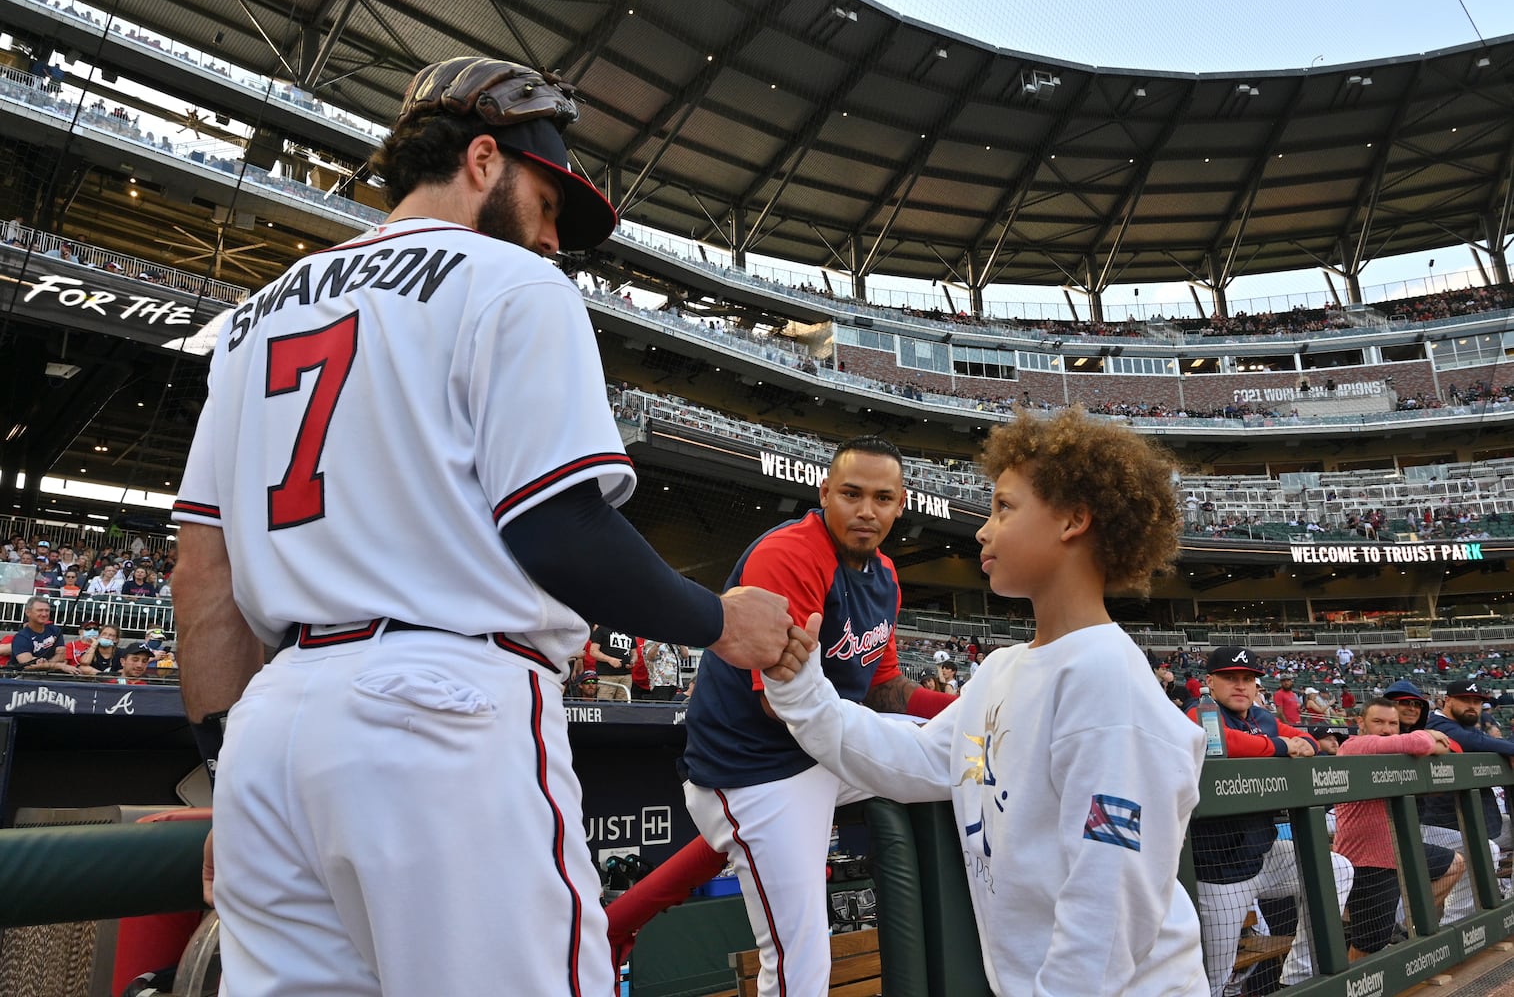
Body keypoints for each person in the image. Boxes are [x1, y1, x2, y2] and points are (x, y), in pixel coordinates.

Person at [169, 56, 797, 997]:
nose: (553, 238)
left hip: (273, 732)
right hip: (444, 711)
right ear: (482, 159)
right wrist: (721, 622)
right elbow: (557, 532)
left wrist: (231, 772)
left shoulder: (254, 316)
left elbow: (201, 573)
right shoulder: (510, 281)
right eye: (548, 202)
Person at [758, 409, 1208, 994]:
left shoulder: (1106, 676)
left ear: (1073, 520)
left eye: (1004, 507)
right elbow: (916, 759)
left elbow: (1112, 893)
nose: (983, 530)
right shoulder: (1002, 667)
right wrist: (802, 688)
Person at [611, 436, 955, 995]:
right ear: (824, 494)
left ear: (900, 505)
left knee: (961, 755)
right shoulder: (791, 554)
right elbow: (781, 705)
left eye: (882, 498)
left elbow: (887, 688)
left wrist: (973, 709)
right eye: (851, 493)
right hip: (759, 772)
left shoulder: (885, 574)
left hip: (823, 754)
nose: (866, 510)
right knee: (801, 963)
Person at [1186, 647, 1353, 996]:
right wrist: (1281, 745)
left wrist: (1302, 743)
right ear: (1210, 682)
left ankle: (1299, 976)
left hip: (1263, 854)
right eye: (1230, 677)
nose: (1241, 685)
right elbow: (1225, 743)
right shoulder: (1199, 712)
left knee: (1336, 868)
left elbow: (1305, 737)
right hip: (1219, 870)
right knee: (1211, 979)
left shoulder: (1262, 717)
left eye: (1248, 679)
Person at [1334, 699, 1462, 960]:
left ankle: (1402, 924)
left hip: (1397, 849)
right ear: (1360, 723)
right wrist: (1431, 736)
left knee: (1455, 864)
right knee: (1368, 944)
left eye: (1393, 723)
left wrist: (1431, 741)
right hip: (1366, 859)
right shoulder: (1354, 745)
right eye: (1378, 722)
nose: (1386, 729)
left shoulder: (1395, 752)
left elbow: (1454, 750)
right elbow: (1423, 744)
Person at [1424, 679, 1514, 922]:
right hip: (1438, 827)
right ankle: (1458, 923)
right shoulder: (1436, 724)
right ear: (1448, 700)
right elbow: (1475, 743)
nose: (1472, 706)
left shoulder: (1468, 729)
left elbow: (1482, 741)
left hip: (1472, 821)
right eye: (1466, 700)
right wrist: (1508, 749)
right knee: (1485, 849)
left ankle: (1507, 899)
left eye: (1477, 702)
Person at [8, 596, 75, 674]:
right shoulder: (21, 637)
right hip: (22, 677)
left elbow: (61, 656)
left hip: (50, 675)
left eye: (47, 610)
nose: (44, 614)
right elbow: (27, 664)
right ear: (28, 612)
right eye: (39, 610)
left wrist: (44, 664)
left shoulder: (55, 630)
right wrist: (58, 665)